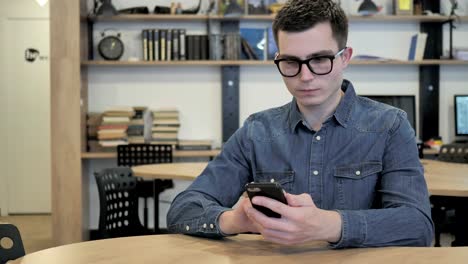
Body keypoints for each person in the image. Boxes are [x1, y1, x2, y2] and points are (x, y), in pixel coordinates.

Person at [167, 0, 433, 248]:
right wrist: (234, 221)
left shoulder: (390, 126)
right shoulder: (256, 131)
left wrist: (330, 226)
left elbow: (418, 225)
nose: (305, 76)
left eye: (319, 60)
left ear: (345, 57)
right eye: (291, 62)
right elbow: (183, 209)